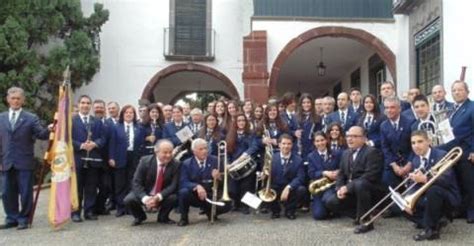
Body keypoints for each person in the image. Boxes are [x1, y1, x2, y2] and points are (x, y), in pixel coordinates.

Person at [0, 87, 51, 230]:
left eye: (18, 98)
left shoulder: (31, 118)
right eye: (13, 98)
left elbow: (41, 134)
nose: (15, 101)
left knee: (26, 192)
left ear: (23, 100)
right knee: (6, 193)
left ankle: (24, 219)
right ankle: (12, 218)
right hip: (6, 162)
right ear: (8, 99)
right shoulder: (1, 118)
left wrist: (50, 128)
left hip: (24, 162)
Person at [325, 126, 384, 234]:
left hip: (370, 190)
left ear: (364, 138)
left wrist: (347, 187)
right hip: (352, 190)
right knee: (330, 202)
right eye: (348, 136)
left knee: (360, 184)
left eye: (354, 136)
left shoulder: (372, 152)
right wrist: (339, 188)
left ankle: (366, 222)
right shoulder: (346, 153)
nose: (350, 139)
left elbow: (370, 175)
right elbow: (341, 174)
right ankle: (359, 215)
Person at [405, 131, 461, 241]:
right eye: (413, 143)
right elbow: (415, 186)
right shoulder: (416, 160)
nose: (416, 146)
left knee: (434, 190)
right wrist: (408, 198)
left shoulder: (441, 155)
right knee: (401, 205)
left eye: (420, 141)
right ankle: (435, 221)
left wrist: (425, 179)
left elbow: (446, 180)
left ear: (429, 142)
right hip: (428, 197)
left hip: (447, 196)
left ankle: (430, 230)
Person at [439, 80, 474, 223]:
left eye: (460, 90)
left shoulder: (472, 107)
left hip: (467, 150)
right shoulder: (452, 109)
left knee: (469, 182)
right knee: (458, 180)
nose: (457, 93)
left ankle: (472, 211)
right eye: (454, 90)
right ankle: (462, 209)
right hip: (454, 151)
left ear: (467, 91)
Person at [124, 139, 180, 226]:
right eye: (165, 152)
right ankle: (140, 217)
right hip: (146, 192)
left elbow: (173, 185)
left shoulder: (176, 164)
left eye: (170, 152)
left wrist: (158, 197)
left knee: (174, 197)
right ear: (156, 151)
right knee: (129, 199)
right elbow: (136, 182)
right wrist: (145, 199)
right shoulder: (145, 161)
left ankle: (163, 217)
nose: (168, 155)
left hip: (162, 194)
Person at [177, 138, 231, 226]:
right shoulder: (186, 163)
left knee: (228, 204)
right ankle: (184, 218)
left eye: (206, 148)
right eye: (201, 149)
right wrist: (197, 186)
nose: (204, 151)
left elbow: (224, 182)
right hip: (195, 195)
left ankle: (210, 211)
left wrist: (219, 177)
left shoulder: (216, 160)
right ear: (194, 151)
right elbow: (183, 182)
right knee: (183, 192)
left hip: (211, 194)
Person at [71, 95, 106, 222]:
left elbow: (103, 138)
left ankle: (89, 211)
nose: (85, 105)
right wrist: (80, 145)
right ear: (79, 104)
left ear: (90, 106)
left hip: (93, 159)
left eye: (87, 103)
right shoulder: (72, 121)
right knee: (77, 187)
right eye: (83, 103)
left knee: (91, 187)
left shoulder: (96, 121)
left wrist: (94, 144)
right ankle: (75, 212)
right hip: (78, 159)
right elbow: (67, 139)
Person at [108, 105, 145, 217]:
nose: (129, 114)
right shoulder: (116, 127)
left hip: (134, 157)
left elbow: (141, 145)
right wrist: (111, 157)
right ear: (122, 114)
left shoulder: (139, 127)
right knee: (120, 184)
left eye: (131, 113)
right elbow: (112, 143)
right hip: (120, 157)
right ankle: (120, 207)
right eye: (126, 113)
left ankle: (130, 206)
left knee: (132, 182)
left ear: (134, 115)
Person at [380, 96, 415, 212]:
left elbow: (414, 146)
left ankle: (412, 207)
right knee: (386, 179)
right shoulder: (383, 126)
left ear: (399, 109)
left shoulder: (410, 122)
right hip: (393, 162)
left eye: (392, 107)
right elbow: (385, 148)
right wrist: (394, 166)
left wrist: (409, 165)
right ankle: (394, 208)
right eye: (386, 108)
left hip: (410, 160)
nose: (389, 110)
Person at [266, 134, 306, 220]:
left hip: (290, 187)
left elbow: (300, 177)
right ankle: (275, 210)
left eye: (289, 144)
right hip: (276, 186)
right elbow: (267, 174)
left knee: (301, 189)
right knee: (266, 187)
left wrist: (289, 187)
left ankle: (290, 210)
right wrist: (263, 175)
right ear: (279, 145)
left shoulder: (298, 159)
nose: (286, 146)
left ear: (292, 145)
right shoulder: (272, 158)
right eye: (283, 143)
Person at [225, 113, 259, 214]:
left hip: (247, 163)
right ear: (235, 122)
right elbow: (227, 151)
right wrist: (227, 163)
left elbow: (254, 147)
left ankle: (245, 206)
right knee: (233, 186)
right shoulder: (230, 135)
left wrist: (240, 159)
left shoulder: (251, 134)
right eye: (239, 121)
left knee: (247, 186)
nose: (241, 122)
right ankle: (236, 204)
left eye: (243, 120)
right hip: (233, 165)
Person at [307, 131, 342, 220]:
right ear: (314, 143)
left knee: (329, 200)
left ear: (326, 140)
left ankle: (334, 208)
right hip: (319, 189)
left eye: (322, 140)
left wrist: (338, 172)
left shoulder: (336, 153)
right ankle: (327, 209)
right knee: (318, 216)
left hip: (332, 186)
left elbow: (342, 168)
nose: (320, 143)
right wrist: (324, 173)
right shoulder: (311, 156)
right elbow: (311, 173)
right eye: (317, 141)